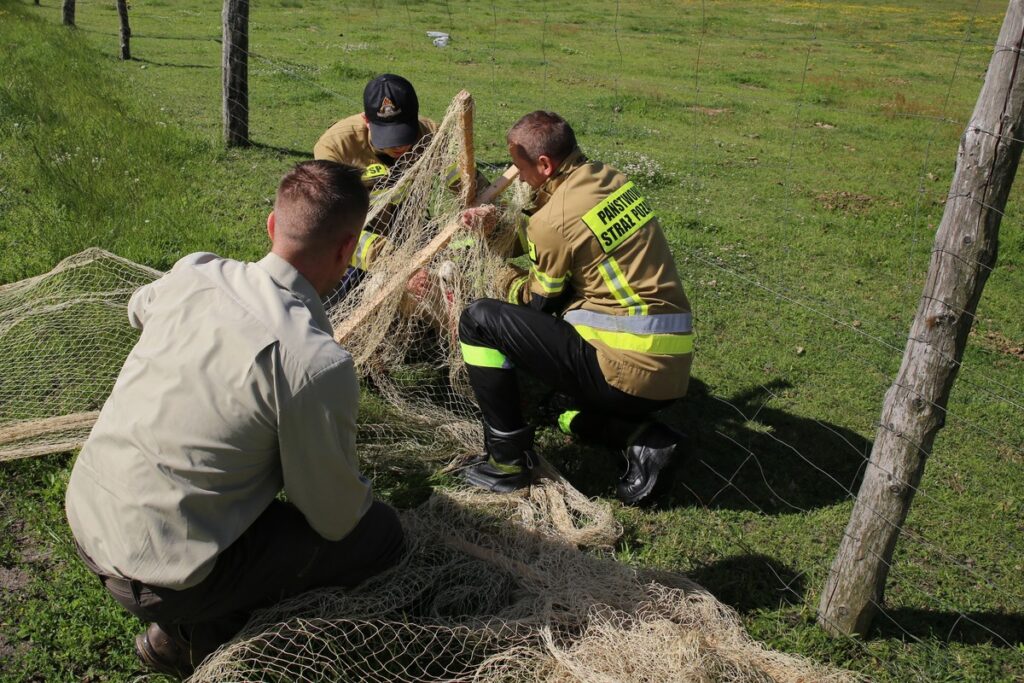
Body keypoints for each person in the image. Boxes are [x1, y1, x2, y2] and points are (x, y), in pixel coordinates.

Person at [64, 160, 404, 679]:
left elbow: (139, 308)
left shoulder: (195, 271)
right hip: (158, 575)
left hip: (87, 514)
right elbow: (334, 517)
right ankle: (198, 635)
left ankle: (182, 627)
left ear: (272, 225)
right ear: (346, 250)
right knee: (378, 535)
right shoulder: (314, 362)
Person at [457, 111, 694, 505]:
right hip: (670, 368)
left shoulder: (553, 220)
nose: (515, 177)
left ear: (545, 164)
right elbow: (559, 237)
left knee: (479, 319)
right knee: (559, 409)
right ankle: (645, 442)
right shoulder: (609, 178)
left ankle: (506, 463)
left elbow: (538, 303)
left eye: (518, 168)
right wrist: (498, 229)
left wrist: (498, 278)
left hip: (627, 370)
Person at [315, 74, 482, 300]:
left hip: (409, 231)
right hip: (357, 241)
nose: (400, 146)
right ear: (366, 120)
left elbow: (467, 182)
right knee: (334, 306)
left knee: (445, 280)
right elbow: (331, 227)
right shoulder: (336, 147)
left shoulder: (431, 134)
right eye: (389, 137)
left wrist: (480, 207)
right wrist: (393, 261)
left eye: (404, 134)